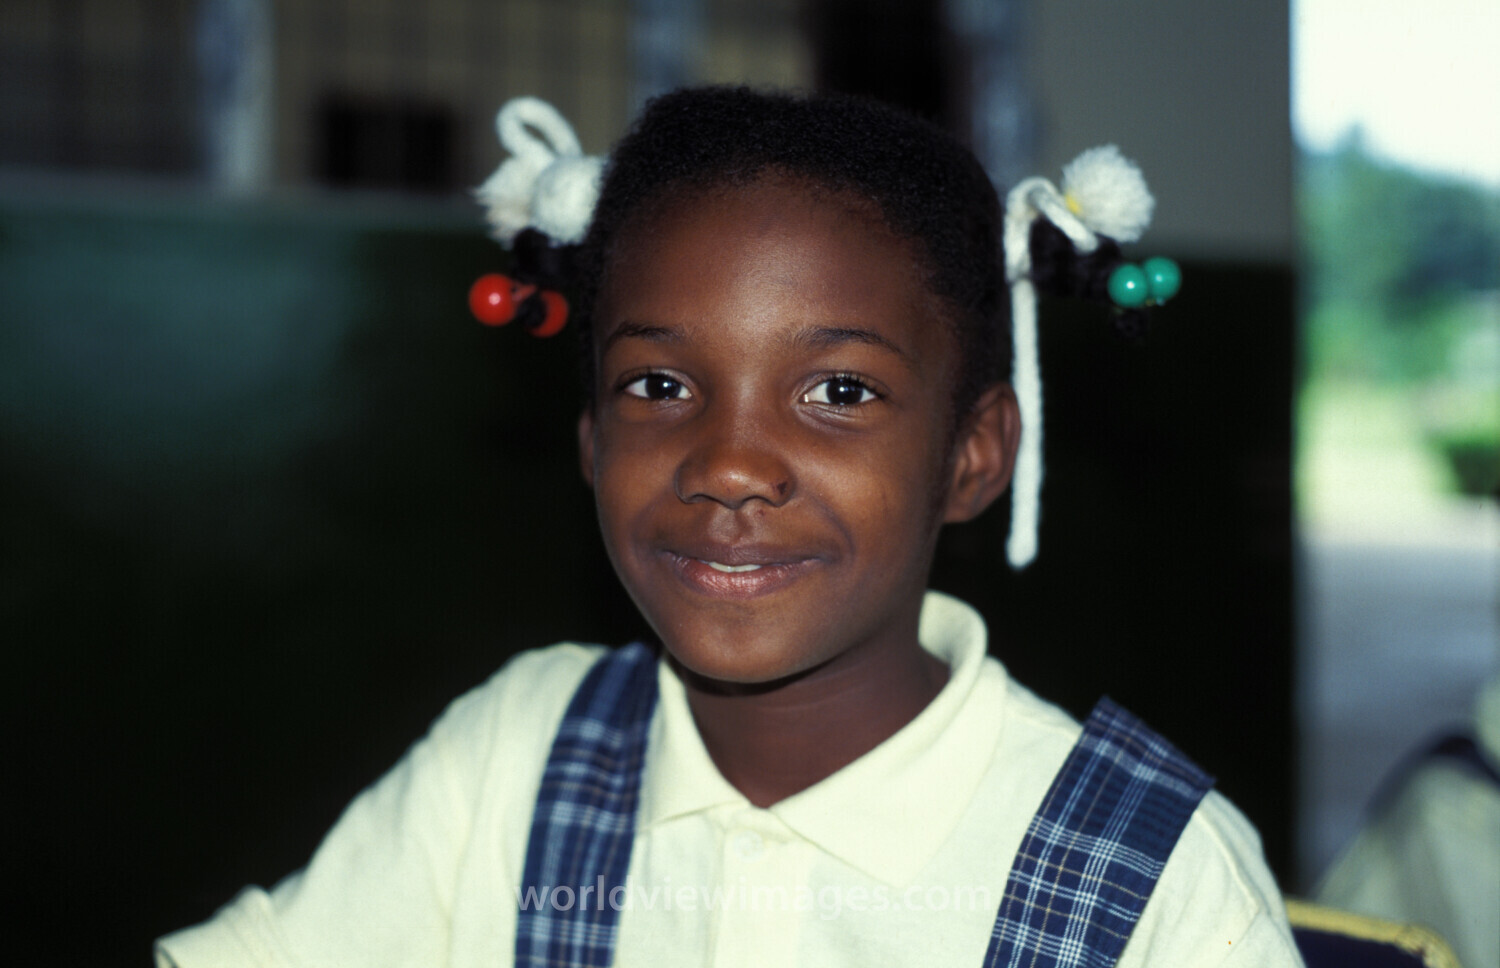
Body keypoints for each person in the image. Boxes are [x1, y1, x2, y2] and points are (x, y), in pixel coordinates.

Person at [156, 87, 1303, 967]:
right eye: (658, 386)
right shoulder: (514, 757)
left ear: (972, 454)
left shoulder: (1156, 881)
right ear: (591, 443)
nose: (731, 464)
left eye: (839, 393)